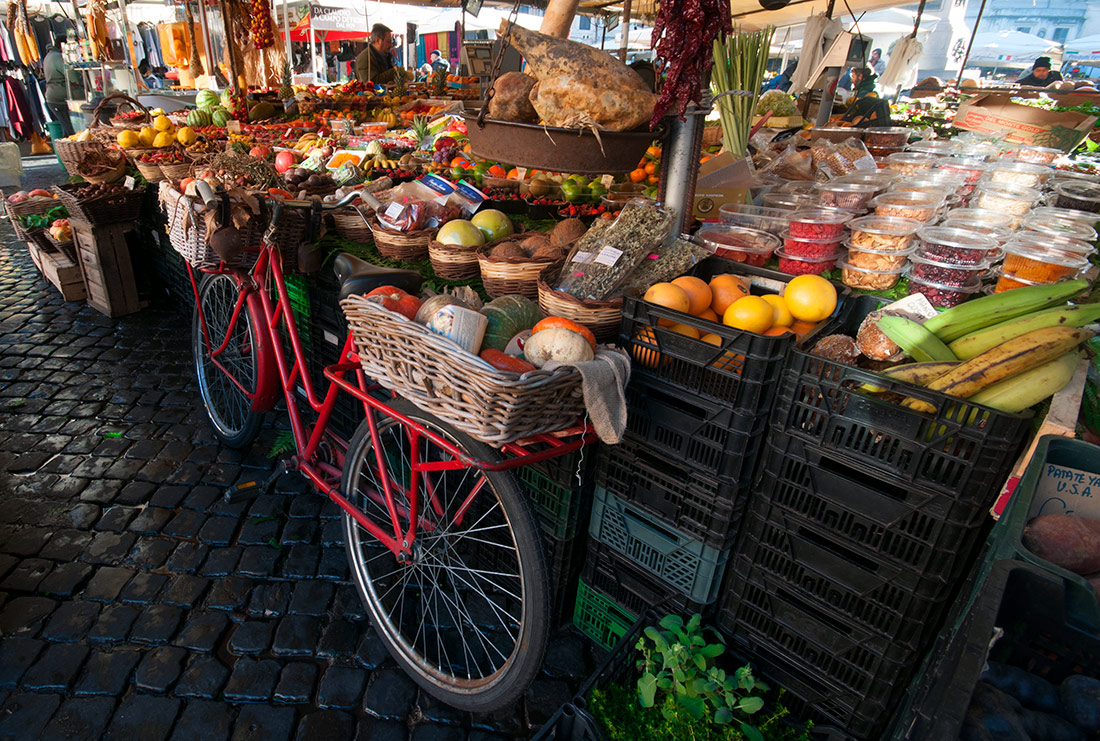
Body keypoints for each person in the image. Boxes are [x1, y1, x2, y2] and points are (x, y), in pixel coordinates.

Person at [43, 33, 82, 137]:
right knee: (71, 130)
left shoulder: (50, 55)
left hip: (54, 96)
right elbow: (72, 76)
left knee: (67, 128)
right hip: (59, 97)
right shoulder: (57, 57)